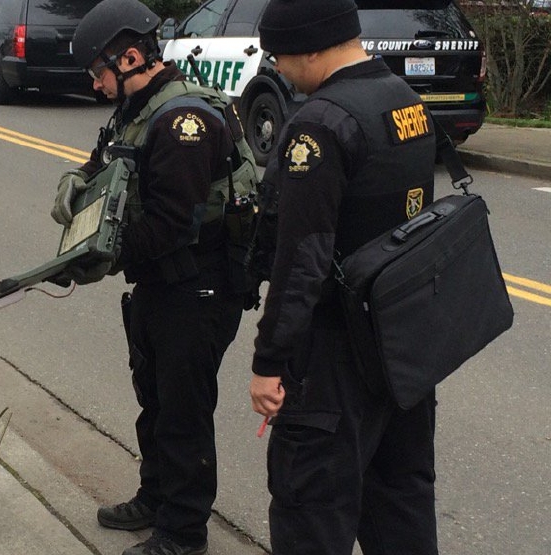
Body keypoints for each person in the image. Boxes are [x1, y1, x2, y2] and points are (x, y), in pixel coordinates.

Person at [57, 0, 254, 553]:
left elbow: (172, 222)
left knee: (184, 412)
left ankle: (183, 531)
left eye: (99, 73)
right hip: (160, 283)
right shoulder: (138, 109)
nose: (96, 86)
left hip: (199, 284)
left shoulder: (182, 121)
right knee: (156, 399)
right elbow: (105, 163)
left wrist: (96, 254)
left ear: (132, 57)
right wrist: (77, 182)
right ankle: (155, 496)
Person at [247, 1, 439, 554]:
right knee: (400, 502)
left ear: (312, 46)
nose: (278, 69)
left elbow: (302, 259)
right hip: (403, 347)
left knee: (311, 512)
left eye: (280, 55)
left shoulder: (319, 125)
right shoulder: (404, 101)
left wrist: (269, 362)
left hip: (333, 356)